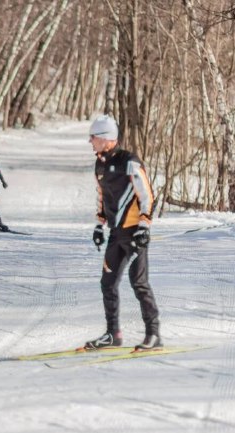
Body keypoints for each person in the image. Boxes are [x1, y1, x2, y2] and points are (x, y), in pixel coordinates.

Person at [85, 115, 161, 351]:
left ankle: (153, 335)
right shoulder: (99, 164)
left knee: (138, 283)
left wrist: (144, 226)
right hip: (116, 234)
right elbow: (102, 196)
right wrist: (99, 225)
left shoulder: (129, 161)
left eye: (94, 137)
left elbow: (147, 195)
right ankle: (113, 334)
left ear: (107, 139)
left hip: (134, 233)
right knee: (107, 283)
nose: (90, 142)